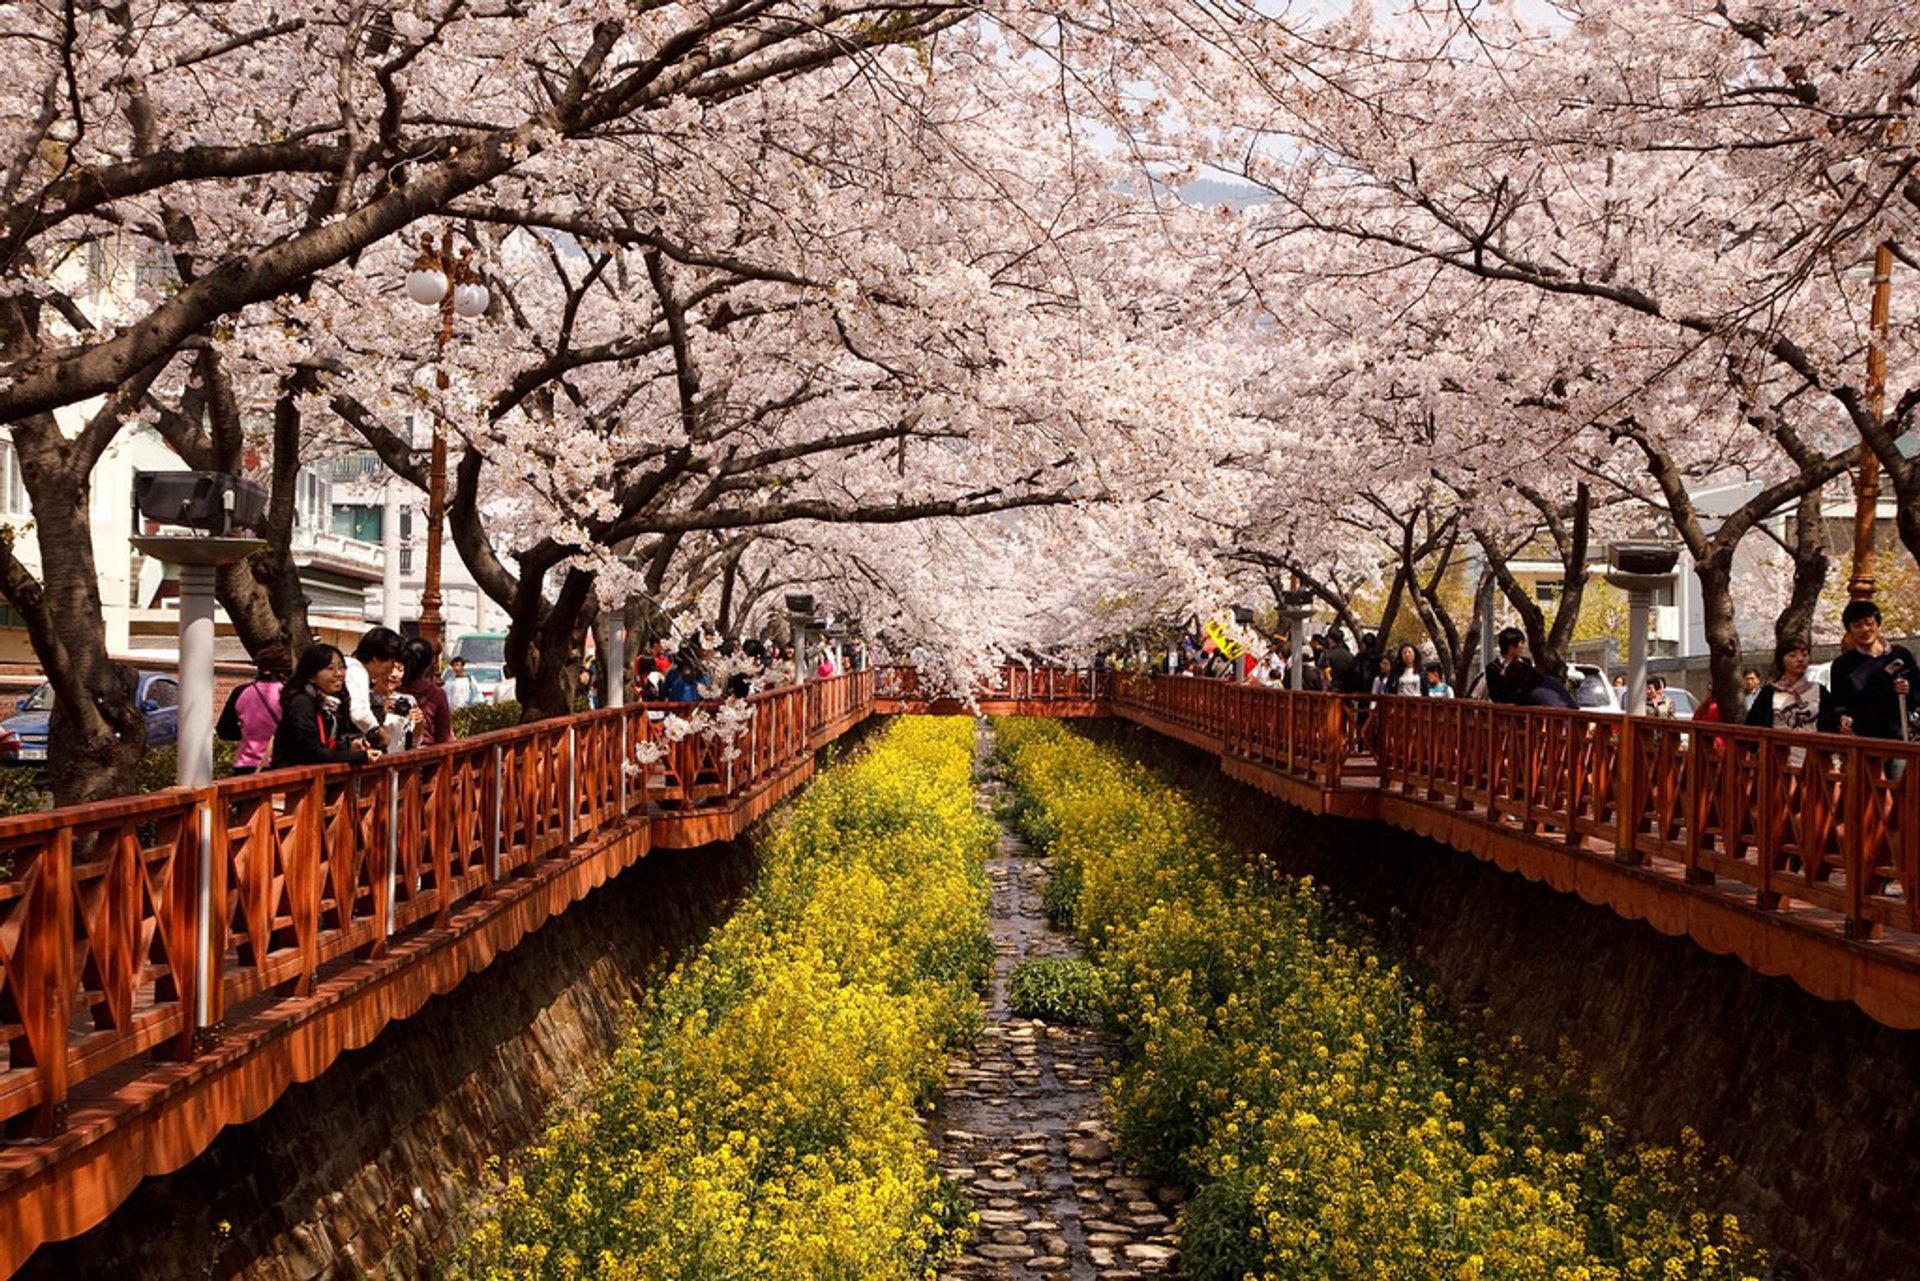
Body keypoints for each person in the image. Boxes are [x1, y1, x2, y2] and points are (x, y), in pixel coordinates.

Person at [272, 645, 379, 767]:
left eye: (341, 667)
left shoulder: (332, 705)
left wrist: (350, 746)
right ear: (311, 676)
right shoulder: (301, 704)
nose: (338, 674)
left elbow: (327, 745)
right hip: (293, 780)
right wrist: (360, 756)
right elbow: (312, 753)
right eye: (330, 668)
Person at [1830, 600, 1915, 741]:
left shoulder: (1900, 655)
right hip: (1863, 740)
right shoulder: (1842, 665)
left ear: (1878, 624)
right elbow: (1839, 702)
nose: (1865, 629)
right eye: (1857, 625)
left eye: (1869, 623)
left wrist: (1908, 689)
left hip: (1900, 737)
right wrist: (1842, 717)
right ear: (1849, 630)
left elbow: (1917, 694)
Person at [217, 645, 291, 774]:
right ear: (285, 669)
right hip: (280, 765)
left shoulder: (240, 692)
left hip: (245, 766)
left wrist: (248, 733)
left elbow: (224, 731)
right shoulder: (288, 694)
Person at [1745, 639, 1839, 735]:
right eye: (1793, 655)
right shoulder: (1769, 692)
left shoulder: (1819, 690)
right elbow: (1753, 725)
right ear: (1781, 660)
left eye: (1804, 655)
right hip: (1778, 748)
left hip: (1811, 748)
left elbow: (1832, 725)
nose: (1800, 659)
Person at [345, 626, 406, 750]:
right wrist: (379, 732)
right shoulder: (357, 672)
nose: (391, 669)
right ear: (376, 659)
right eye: (391, 662)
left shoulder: (348, 666)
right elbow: (359, 714)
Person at [400, 638, 451, 748]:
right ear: (429, 663)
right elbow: (444, 736)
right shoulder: (436, 693)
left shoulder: (391, 688)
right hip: (427, 757)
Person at [1504, 656, 1575, 709]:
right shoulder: (1549, 680)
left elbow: (1518, 703)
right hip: (1576, 719)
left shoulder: (1529, 690)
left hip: (1558, 723)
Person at [1483, 627, 1526, 704]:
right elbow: (1494, 695)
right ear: (1511, 647)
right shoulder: (1493, 668)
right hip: (1504, 711)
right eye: (1521, 643)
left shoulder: (1526, 663)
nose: (1523, 646)